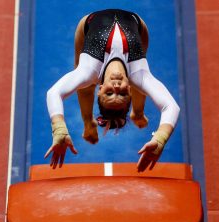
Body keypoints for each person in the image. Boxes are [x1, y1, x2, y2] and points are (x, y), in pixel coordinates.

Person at [44, 9, 180, 171]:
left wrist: (59, 129)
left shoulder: (88, 71)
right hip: (138, 25)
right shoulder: (139, 75)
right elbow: (171, 107)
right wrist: (160, 139)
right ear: (129, 89)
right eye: (122, 93)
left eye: (109, 93)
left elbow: (53, 93)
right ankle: (121, 116)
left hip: (87, 25)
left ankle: (114, 117)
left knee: (82, 81)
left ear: (100, 90)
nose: (116, 87)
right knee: (143, 84)